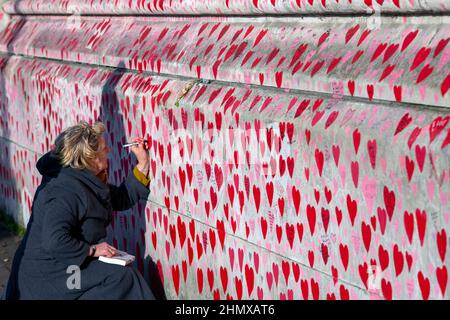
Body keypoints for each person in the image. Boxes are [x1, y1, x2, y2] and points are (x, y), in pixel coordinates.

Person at [4, 121, 155, 299]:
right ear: (91, 158)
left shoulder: (83, 179)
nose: (109, 151)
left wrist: (143, 163)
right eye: (104, 149)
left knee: (121, 276)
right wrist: (92, 250)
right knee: (123, 279)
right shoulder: (63, 191)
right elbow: (54, 240)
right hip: (48, 277)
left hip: (68, 265)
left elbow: (121, 198)